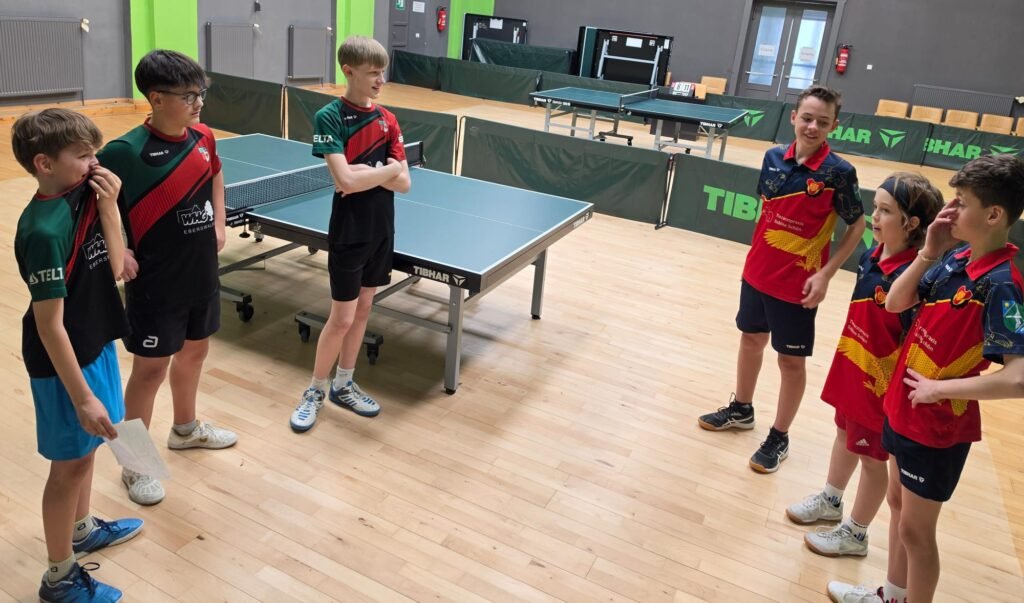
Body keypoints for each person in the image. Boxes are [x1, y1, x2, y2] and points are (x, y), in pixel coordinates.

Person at [827, 154, 1024, 602]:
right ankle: (893, 596)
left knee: (917, 534)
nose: (951, 210)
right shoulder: (955, 259)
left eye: (962, 202)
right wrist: (930, 251)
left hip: (937, 428)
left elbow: (1018, 378)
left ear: (993, 215)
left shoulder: (1001, 284)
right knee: (899, 509)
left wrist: (940, 389)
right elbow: (895, 303)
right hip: (903, 412)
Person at [697, 85, 866, 473]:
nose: (812, 126)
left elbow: (857, 225)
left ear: (834, 126)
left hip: (798, 286)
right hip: (757, 273)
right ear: (793, 117)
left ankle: (780, 435)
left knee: (790, 362)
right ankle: (741, 409)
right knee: (750, 339)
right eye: (807, 118)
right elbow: (767, 210)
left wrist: (826, 274)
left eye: (822, 121)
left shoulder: (838, 173)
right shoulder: (772, 158)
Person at [12, 108, 144, 602]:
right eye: (84, 155)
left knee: (90, 449)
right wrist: (83, 397)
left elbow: (116, 267)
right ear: (45, 164)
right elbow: (49, 326)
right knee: (68, 465)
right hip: (61, 362)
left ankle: (82, 529)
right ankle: (59, 576)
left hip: (95, 339)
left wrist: (110, 208)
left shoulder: (85, 195)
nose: (95, 163)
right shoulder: (43, 231)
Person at [98, 49, 237, 506]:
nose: (199, 103)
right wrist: (120, 251)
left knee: (195, 351)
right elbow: (93, 211)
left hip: (201, 272)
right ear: (156, 98)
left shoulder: (204, 137)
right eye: (188, 96)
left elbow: (215, 177)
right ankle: (134, 465)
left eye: (201, 94)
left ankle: (185, 429)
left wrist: (219, 223)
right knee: (150, 371)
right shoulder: (123, 153)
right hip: (156, 284)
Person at [787, 173, 942, 559]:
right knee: (843, 434)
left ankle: (856, 533)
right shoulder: (871, 256)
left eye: (885, 211)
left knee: (873, 461)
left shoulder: (915, 278)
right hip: (852, 366)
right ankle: (831, 499)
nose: (875, 217)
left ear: (912, 223)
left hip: (879, 385)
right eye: (875, 207)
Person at [289, 35, 410, 432]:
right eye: (373, 73)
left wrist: (368, 172)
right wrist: (385, 170)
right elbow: (344, 180)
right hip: (349, 229)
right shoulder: (330, 117)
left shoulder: (388, 119)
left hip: (382, 227)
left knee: (363, 310)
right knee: (341, 318)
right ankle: (315, 390)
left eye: (382, 73)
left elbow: (404, 183)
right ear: (349, 71)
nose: (380, 80)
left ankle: (344, 384)